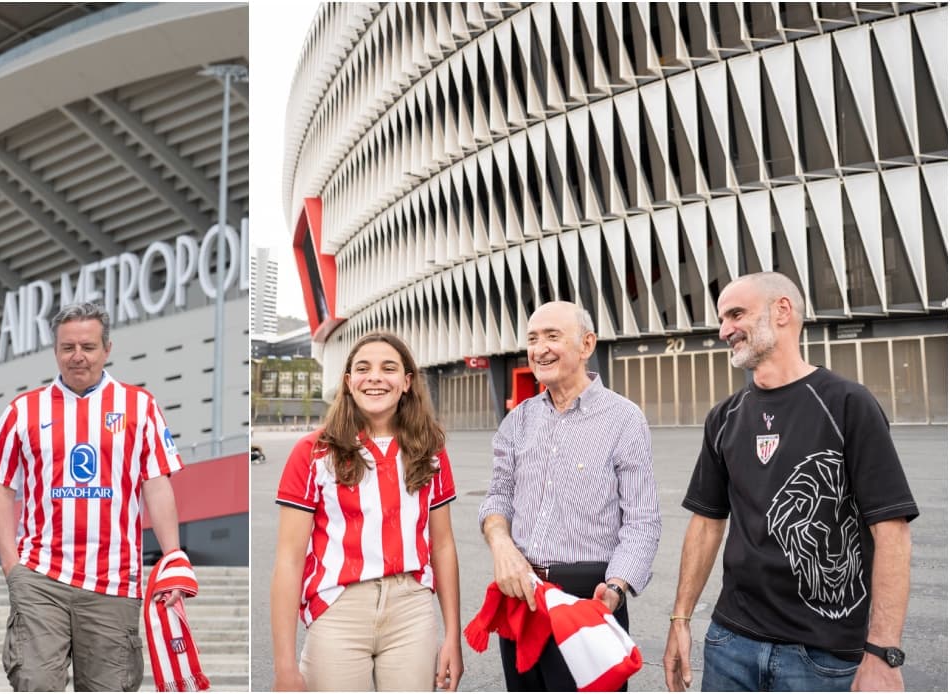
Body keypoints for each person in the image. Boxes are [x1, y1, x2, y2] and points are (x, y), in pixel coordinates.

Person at [663, 272, 918, 692]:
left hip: (825, 657)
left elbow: (891, 532)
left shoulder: (848, 404)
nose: (724, 329)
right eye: (722, 318)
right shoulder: (723, 417)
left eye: (736, 314)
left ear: (782, 311)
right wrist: (680, 619)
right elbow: (707, 524)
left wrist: (882, 653)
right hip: (730, 644)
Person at [0, 302, 186, 692]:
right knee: (35, 682)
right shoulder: (23, 410)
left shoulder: (140, 406)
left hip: (114, 582)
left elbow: (156, 483)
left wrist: (174, 559)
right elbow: (1, 487)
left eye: (88, 347)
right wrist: (12, 568)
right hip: (40, 577)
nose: (77, 356)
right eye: (67, 347)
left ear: (107, 349)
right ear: (55, 351)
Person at [480, 301, 660, 691]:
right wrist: (501, 546)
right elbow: (497, 497)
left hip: (588, 601)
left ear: (587, 344)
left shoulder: (624, 419)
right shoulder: (518, 420)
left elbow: (642, 520)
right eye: (532, 338)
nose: (539, 348)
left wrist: (616, 587)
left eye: (552, 336)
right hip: (522, 598)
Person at [270, 331, 463, 692]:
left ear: (406, 382)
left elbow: (443, 546)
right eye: (363, 368)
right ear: (348, 382)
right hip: (339, 607)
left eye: (388, 368)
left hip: (411, 608)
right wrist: (284, 665)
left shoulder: (430, 448)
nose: (375, 376)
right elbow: (289, 559)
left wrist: (453, 636)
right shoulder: (312, 451)